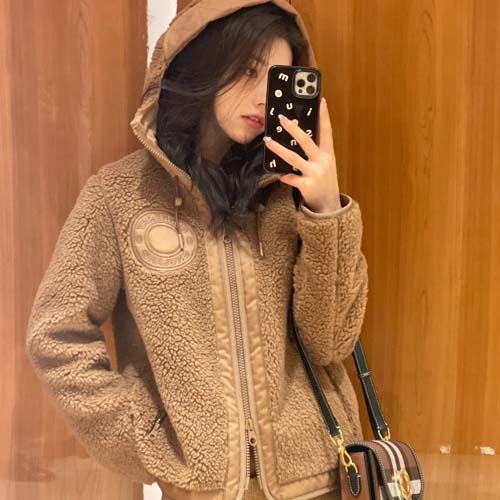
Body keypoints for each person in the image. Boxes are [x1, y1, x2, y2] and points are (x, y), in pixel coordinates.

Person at [25, 1, 369, 499]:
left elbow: (331, 344)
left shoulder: (290, 195)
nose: (263, 97)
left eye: (277, 78)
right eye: (247, 70)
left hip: (323, 484)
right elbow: (56, 337)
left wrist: (324, 209)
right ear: (203, 63)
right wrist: (148, 438)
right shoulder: (119, 197)